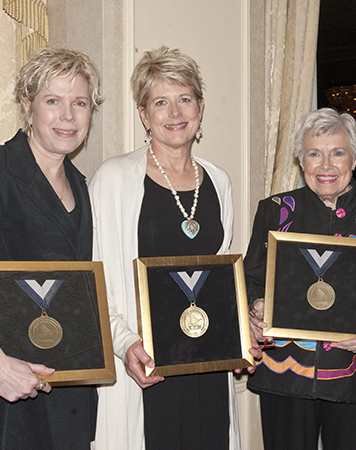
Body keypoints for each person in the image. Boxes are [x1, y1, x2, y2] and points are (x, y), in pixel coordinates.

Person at [90, 46, 240, 450]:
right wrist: (126, 344)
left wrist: (242, 327)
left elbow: (222, 281)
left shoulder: (219, 182)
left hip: (206, 361)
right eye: (161, 102)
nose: (175, 113)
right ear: (144, 114)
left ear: (200, 107)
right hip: (145, 363)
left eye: (184, 99)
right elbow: (96, 281)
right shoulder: (113, 179)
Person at [0, 48, 103, 449]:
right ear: (28, 106)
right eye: (52, 101)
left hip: (65, 397)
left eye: (79, 103)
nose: (68, 116)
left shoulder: (83, 186)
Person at [245, 107, 356, 450]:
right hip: (285, 378)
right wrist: (253, 309)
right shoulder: (274, 210)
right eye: (314, 154)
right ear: (301, 161)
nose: (325, 165)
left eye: (337, 153)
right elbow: (249, 280)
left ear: (354, 157)